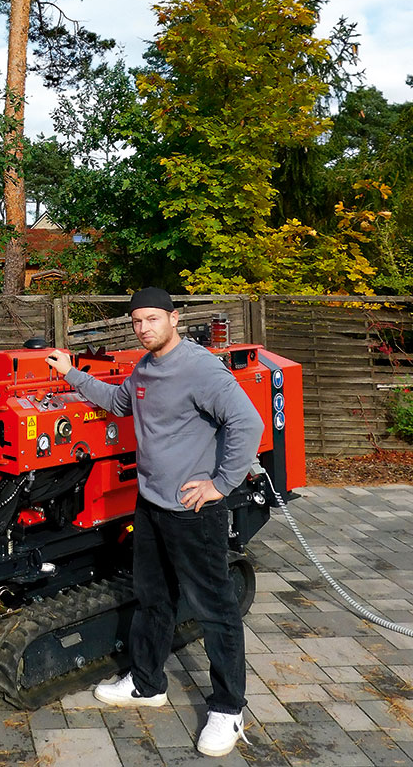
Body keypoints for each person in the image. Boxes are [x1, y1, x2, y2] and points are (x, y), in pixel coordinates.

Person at [46, 287, 264, 759]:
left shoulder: (201, 367)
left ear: (174, 318)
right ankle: (148, 683)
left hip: (194, 512)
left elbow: (248, 422)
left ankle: (228, 709)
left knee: (215, 611)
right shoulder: (144, 368)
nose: (143, 327)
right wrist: (72, 375)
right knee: (152, 596)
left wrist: (220, 483)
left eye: (151, 319)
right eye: (137, 321)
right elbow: (120, 402)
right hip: (151, 505)